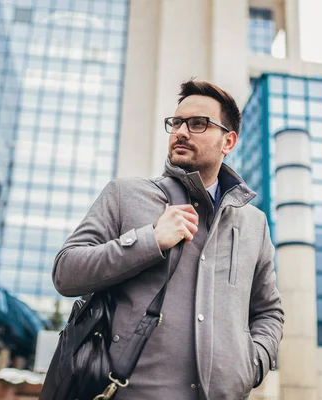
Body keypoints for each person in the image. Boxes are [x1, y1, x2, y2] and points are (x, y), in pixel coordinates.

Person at [53, 79, 284, 399]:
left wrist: (253, 363)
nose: (181, 131)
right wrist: (150, 240)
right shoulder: (125, 195)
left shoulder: (254, 225)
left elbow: (268, 311)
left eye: (198, 123)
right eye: (176, 122)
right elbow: (66, 272)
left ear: (228, 142)